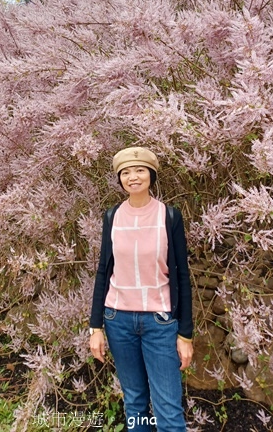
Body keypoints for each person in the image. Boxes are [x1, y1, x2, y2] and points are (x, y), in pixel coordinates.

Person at [89, 147, 193, 432]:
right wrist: (95, 326)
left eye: (139, 170)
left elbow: (181, 275)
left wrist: (185, 333)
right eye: (125, 172)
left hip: (159, 322)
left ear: (151, 175)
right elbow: (103, 271)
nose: (132, 177)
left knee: (168, 410)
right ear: (119, 179)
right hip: (117, 320)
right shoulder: (112, 217)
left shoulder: (169, 216)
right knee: (134, 403)